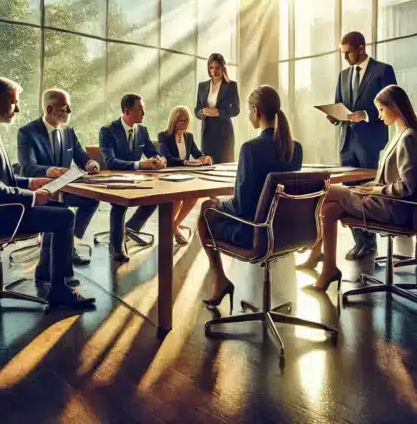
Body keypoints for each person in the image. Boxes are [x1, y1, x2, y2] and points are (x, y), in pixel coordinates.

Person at [0, 78, 95, 310]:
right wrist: (32, 197)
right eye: (14, 102)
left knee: (59, 209)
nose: (18, 109)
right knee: (66, 216)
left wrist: (31, 182)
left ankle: (53, 276)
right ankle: (59, 291)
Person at [305, 84, 417, 291]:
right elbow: (388, 180)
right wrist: (367, 187)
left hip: (393, 209)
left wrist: (373, 191)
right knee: (329, 209)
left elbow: (406, 187)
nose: (379, 116)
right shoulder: (401, 135)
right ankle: (329, 269)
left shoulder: (408, 138)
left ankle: (308, 240)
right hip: (387, 202)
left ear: (395, 107)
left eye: (381, 110)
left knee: (326, 191)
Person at [196, 85, 302, 310]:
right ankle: (225, 283)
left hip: (255, 233)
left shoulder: (250, 149)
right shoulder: (295, 147)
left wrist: (218, 205)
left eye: (248, 110)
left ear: (256, 110)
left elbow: (241, 207)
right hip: (287, 232)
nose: (248, 115)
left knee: (206, 210)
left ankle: (221, 280)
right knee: (214, 208)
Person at [326, 31, 397, 260]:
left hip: (371, 143)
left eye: (348, 52)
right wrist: (335, 116)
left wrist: (365, 115)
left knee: (369, 193)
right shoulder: (343, 75)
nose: (345, 57)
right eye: (342, 53)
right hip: (347, 143)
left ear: (361, 48)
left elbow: (392, 107)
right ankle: (359, 242)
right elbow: (340, 104)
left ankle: (371, 243)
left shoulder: (383, 71)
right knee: (349, 194)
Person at [17, 88, 102, 273]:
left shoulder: (69, 132)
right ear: (49, 109)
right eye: (66, 108)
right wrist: (48, 170)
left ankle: (68, 243)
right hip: (42, 190)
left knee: (92, 200)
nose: (70, 112)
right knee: (59, 211)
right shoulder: (27, 132)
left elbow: (81, 157)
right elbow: (26, 167)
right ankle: (48, 267)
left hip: (66, 189)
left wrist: (91, 163)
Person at [98, 93, 166, 263]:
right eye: (140, 110)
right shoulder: (107, 131)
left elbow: (152, 152)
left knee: (157, 196)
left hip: (138, 179)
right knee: (120, 204)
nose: (144, 113)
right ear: (127, 111)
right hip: (115, 178)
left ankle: (130, 228)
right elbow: (111, 162)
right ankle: (116, 246)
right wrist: (139, 165)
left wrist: (160, 159)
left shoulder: (142, 130)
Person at [157, 106, 213, 245]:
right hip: (169, 176)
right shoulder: (163, 136)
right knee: (177, 199)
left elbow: (197, 153)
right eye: (180, 120)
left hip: (186, 176)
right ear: (174, 121)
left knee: (194, 196)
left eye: (186, 120)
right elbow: (167, 158)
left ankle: (173, 226)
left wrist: (204, 158)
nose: (183, 123)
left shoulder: (188, 137)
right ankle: (174, 229)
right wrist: (186, 162)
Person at [195, 53, 240, 164]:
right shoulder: (202, 86)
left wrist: (218, 112)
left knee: (224, 167)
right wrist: (202, 112)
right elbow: (197, 109)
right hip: (207, 134)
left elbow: (236, 109)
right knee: (206, 165)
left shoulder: (231, 85)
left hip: (224, 134)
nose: (214, 71)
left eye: (217, 68)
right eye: (211, 68)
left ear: (223, 67)